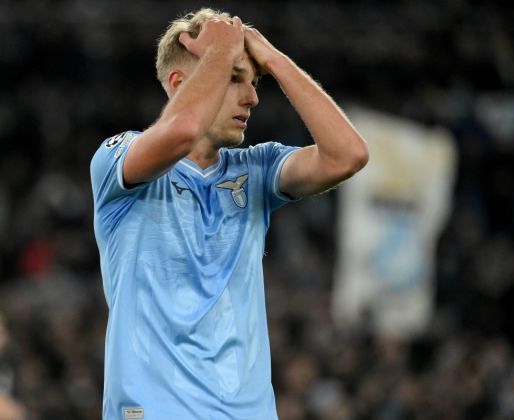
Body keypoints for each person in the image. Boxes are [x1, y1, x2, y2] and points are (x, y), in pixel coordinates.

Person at [90, 7, 368, 420]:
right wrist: (221, 49)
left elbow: (349, 155)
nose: (253, 97)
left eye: (254, 83)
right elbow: (182, 131)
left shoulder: (256, 170)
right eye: (234, 79)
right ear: (179, 84)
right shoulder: (118, 157)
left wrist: (273, 58)